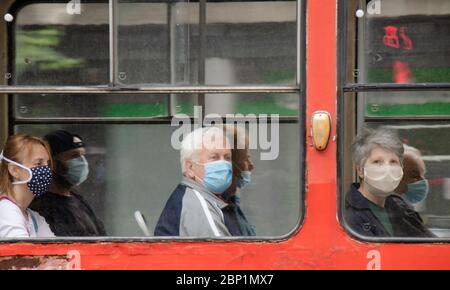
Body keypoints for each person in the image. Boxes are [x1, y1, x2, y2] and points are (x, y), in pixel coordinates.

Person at [345, 127, 433, 237]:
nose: (387, 169)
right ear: (361, 170)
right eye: (377, 162)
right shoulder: (347, 216)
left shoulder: (401, 209)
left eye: (393, 162)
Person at [154, 126, 233, 237]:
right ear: (190, 167)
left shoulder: (206, 197)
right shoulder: (197, 204)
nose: (224, 164)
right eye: (214, 157)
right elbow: (224, 252)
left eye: (227, 157)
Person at [30, 130, 106, 236]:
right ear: (52, 163)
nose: (83, 162)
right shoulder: (43, 207)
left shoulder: (77, 199)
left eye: (83, 155)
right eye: (74, 156)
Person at [0, 134, 55, 238]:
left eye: (47, 164)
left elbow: (56, 250)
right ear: (14, 170)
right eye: (38, 163)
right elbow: (22, 252)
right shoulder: (5, 210)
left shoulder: (34, 218)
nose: (46, 170)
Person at [221, 124, 256, 236]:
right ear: (231, 165)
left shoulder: (231, 202)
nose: (251, 166)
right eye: (246, 158)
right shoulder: (219, 209)